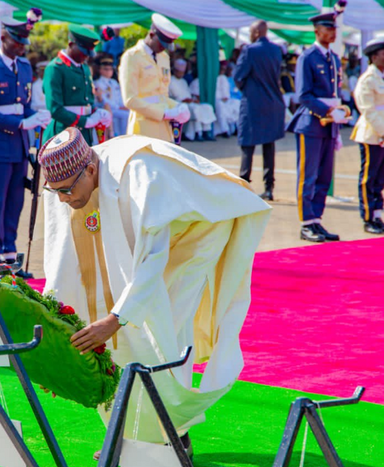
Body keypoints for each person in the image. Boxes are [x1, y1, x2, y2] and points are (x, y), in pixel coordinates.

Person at [39, 127, 270, 456]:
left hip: (197, 232)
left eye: (65, 192)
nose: (62, 199)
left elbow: (151, 261)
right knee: (110, 324)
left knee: (162, 330)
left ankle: (175, 435)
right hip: (152, 234)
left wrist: (117, 318)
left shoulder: (140, 177)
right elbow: (62, 261)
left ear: (90, 170)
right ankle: (124, 431)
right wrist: (58, 342)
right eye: (54, 192)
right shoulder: (67, 181)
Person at [0, 14, 49, 272]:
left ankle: (10, 251)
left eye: (24, 44)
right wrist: (19, 123)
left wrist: (36, 116)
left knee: (16, 199)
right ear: (4, 37)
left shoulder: (24, 67)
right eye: (17, 42)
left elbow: (23, 106)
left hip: (19, 145)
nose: (21, 47)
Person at [287, 11, 345, 243]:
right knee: (308, 176)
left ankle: (316, 220)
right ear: (316, 31)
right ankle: (305, 223)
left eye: (334, 29)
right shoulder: (307, 57)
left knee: (324, 176)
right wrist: (329, 110)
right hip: (311, 123)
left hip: (329, 125)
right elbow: (303, 95)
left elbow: (334, 91)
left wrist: (338, 112)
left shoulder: (334, 59)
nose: (332, 32)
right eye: (327, 28)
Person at [351, 38, 384, 235]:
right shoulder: (367, 79)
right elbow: (368, 110)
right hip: (373, 134)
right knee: (368, 178)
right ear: (374, 57)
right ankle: (367, 218)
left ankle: (378, 214)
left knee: (380, 178)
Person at [234, 20, 285, 201]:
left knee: (247, 144)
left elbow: (238, 76)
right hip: (273, 103)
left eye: (250, 31)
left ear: (256, 32)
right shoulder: (276, 50)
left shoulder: (249, 50)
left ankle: (243, 185)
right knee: (269, 146)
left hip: (253, 103)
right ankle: (269, 188)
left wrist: (249, 90)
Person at [119, 13, 189, 142]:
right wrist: (163, 113)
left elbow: (162, 94)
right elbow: (130, 99)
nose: (163, 49)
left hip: (164, 128)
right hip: (142, 127)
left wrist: (178, 106)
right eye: (162, 44)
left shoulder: (163, 57)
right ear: (152, 35)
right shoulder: (132, 57)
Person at [43, 24, 111, 145]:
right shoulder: (55, 68)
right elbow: (55, 109)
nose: (86, 56)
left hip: (84, 135)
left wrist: (97, 112)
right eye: (83, 52)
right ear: (71, 45)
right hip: (63, 134)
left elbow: (86, 100)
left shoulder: (84, 68)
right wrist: (84, 121)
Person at [94, 56, 129, 137]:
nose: (109, 71)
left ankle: (125, 136)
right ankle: (122, 136)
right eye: (106, 69)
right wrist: (118, 107)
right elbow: (103, 100)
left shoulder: (114, 83)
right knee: (125, 115)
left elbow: (120, 97)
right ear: (100, 70)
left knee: (128, 113)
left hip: (117, 109)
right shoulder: (97, 83)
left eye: (110, 69)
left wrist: (123, 105)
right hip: (107, 109)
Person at [214, 60, 239, 137]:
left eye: (224, 69)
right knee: (220, 107)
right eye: (221, 69)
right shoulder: (214, 78)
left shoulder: (224, 78)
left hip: (227, 100)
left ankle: (237, 128)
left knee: (237, 104)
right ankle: (225, 130)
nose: (222, 71)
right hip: (218, 100)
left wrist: (226, 98)